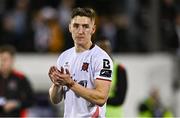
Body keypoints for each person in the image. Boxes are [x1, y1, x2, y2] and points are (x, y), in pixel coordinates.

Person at [48, 7, 113, 117]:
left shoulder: (101, 58)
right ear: (70, 28)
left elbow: (101, 98)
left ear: (93, 29)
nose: (80, 31)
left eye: (85, 26)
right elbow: (55, 99)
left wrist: (71, 83)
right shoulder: (64, 57)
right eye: (76, 26)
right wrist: (56, 84)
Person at [96, 36, 128, 117]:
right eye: (101, 48)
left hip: (112, 115)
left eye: (106, 48)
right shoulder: (91, 70)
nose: (104, 51)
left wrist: (95, 98)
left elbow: (120, 99)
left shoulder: (119, 69)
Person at [0, 45, 34, 117]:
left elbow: (31, 100)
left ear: (12, 60)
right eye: (0, 59)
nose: (2, 62)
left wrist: (16, 104)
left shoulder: (20, 78)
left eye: (5, 59)